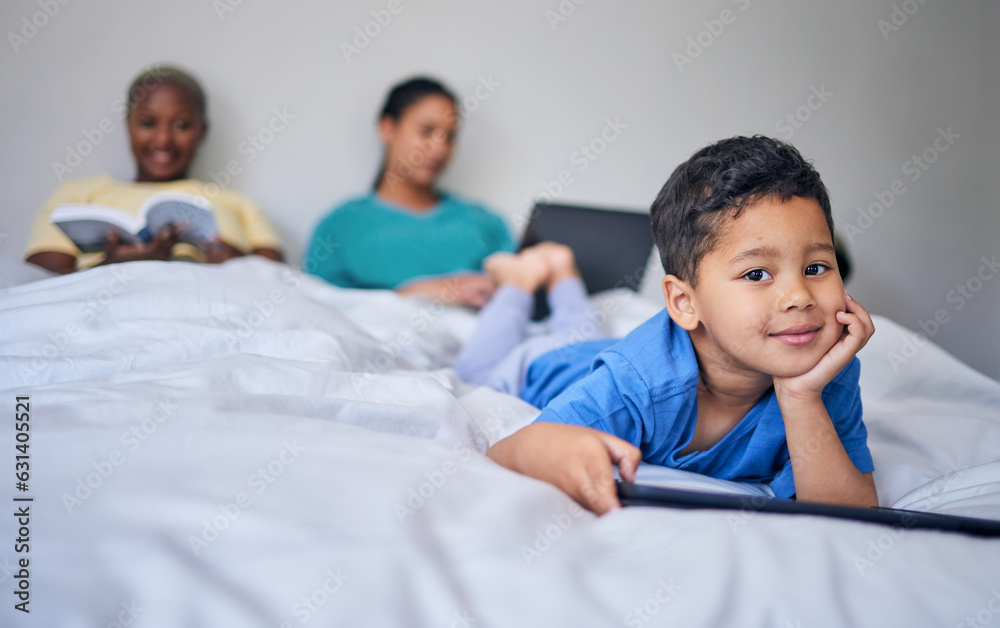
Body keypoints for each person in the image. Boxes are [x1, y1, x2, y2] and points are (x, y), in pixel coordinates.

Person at [485, 136, 878, 515]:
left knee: (585, 332)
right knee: (498, 356)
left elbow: (850, 513)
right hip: (540, 364)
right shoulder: (635, 385)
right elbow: (504, 452)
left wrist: (801, 398)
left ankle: (561, 272)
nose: (799, 296)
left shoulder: (825, 372)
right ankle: (519, 280)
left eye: (816, 268)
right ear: (684, 303)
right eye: (757, 273)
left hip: (607, 350)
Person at [25, 66, 283, 274]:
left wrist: (238, 265)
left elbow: (281, 284)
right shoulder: (78, 195)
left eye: (181, 125)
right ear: (129, 124)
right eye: (148, 123)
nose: (163, 140)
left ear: (202, 131)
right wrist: (109, 268)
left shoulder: (239, 204)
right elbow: (38, 284)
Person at [304, 77, 515, 308]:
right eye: (426, 131)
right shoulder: (339, 229)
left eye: (450, 137)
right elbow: (325, 317)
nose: (440, 149)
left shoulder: (486, 224)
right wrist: (414, 294)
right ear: (388, 129)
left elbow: (518, 302)